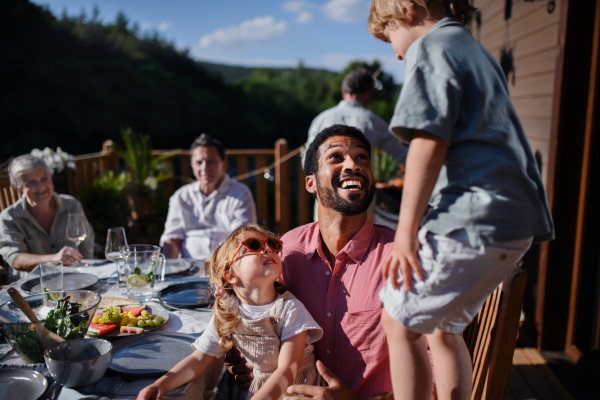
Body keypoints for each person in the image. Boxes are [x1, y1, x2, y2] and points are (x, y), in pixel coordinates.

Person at [367, 1, 555, 399]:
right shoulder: (472, 48)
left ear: (407, 10)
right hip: (513, 223)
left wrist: (406, 233)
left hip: (475, 215)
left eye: (391, 38)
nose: (397, 53)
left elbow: (427, 141)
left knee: (398, 323)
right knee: (442, 328)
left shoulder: (431, 46)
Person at [227, 125, 436, 400]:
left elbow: (434, 372)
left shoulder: (402, 256)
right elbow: (254, 308)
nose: (353, 164)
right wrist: (242, 358)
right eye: (336, 157)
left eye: (362, 158)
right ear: (310, 183)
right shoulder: (287, 252)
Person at [138, 224, 322, 400]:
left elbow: (287, 370)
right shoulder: (228, 313)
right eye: (253, 245)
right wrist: (161, 385)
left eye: (272, 244)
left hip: (296, 391)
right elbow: (199, 359)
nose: (267, 250)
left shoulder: (290, 309)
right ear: (231, 275)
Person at [305, 68, 407, 222]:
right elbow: (402, 155)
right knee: (364, 244)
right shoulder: (374, 122)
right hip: (361, 197)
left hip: (326, 199)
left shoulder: (320, 120)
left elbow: (307, 162)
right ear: (368, 93)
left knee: (324, 243)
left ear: (344, 91)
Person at [160, 134, 257, 260]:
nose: (204, 168)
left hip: (227, 268)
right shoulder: (181, 196)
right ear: (192, 166)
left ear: (224, 164)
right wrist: (170, 271)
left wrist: (217, 267)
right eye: (199, 162)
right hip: (188, 270)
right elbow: (171, 239)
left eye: (211, 162)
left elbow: (243, 239)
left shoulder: (241, 193)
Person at [0, 154, 94, 282]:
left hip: (73, 281)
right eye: (31, 183)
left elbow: (86, 246)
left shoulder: (71, 205)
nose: (41, 187)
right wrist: (55, 258)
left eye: (44, 179)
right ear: (18, 189)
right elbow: (16, 260)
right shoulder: (9, 218)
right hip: (31, 288)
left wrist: (87, 276)